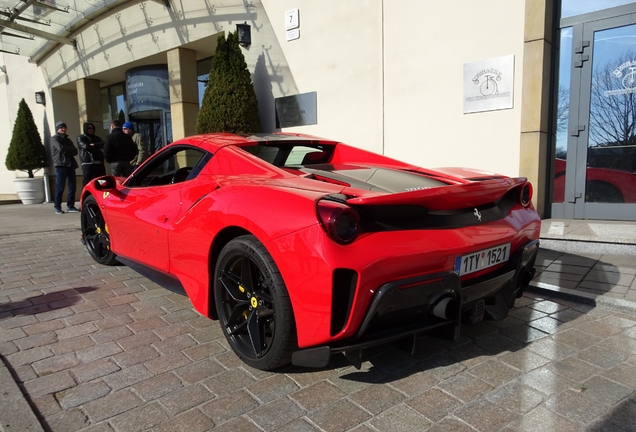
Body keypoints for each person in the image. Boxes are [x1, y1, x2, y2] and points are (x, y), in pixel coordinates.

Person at [51, 121, 79, 214]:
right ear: (57, 129)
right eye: (61, 127)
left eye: (64, 127)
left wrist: (66, 150)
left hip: (70, 165)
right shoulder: (55, 139)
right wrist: (67, 149)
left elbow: (75, 151)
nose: (63, 129)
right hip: (60, 165)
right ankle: (57, 207)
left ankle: (70, 206)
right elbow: (60, 148)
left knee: (72, 186)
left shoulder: (68, 139)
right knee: (60, 187)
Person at [77, 122, 106, 188]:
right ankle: (85, 197)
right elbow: (86, 147)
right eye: (89, 128)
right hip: (88, 163)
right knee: (87, 183)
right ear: (85, 129)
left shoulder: (96, 138)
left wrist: (95, 145)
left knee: (102, 182)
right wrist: (98, 149)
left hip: (99, 164)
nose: (91, 130)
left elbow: (104, 144)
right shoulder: (80, 137)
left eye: (92, 128)